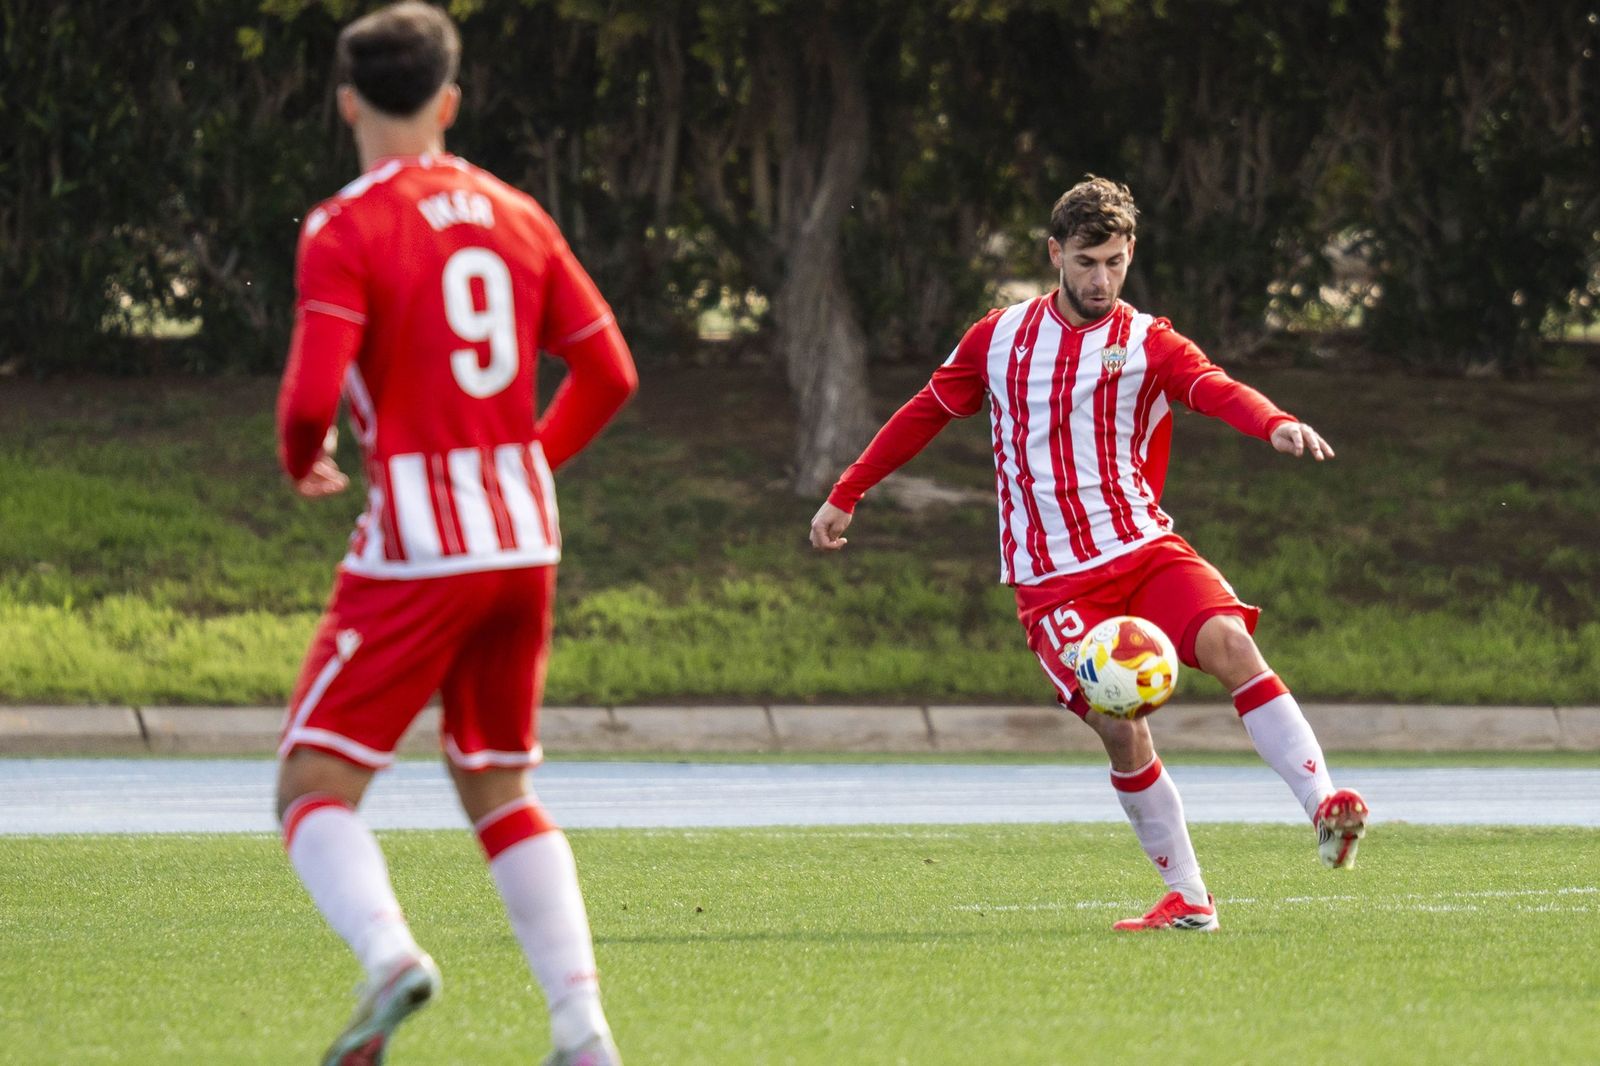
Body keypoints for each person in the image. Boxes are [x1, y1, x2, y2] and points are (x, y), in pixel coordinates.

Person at [809, 176, 1368, 933]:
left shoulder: (1149, 342)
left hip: (1143, 548)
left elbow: (1211, 386)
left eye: (1113, 260)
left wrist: (1271, 422)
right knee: (1119, 722)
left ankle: (1326, 807)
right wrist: (849, 490)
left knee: (1234, 644)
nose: (1100, 278)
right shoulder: (998, 339)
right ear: (1054, 256)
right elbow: (923, 412)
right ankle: (1192, 897)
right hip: (1054, 585)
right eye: (1085, 261)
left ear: (1130, 254)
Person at [273, 4, 636, 1062]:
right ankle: (582, 1031)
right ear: (449, 99)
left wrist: (306, 464)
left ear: (346, 100)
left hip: (419, 542)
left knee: (312, 782)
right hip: (523, 538)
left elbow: (306, 402)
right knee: (497, 782)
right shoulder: (517, 214)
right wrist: (522, 461)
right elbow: (609, 373)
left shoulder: (343, 227)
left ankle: (389, 955)